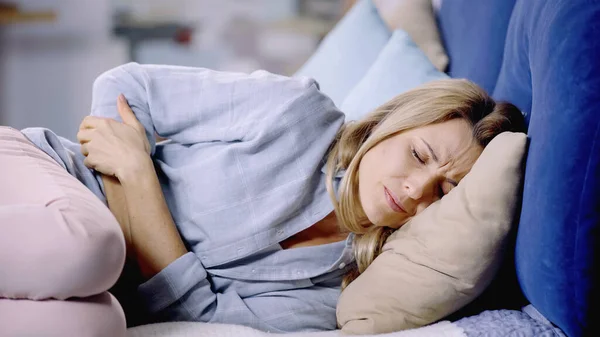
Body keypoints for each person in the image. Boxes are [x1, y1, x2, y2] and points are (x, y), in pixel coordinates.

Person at [19, 62, 523, 332]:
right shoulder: (297, 113)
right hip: (42, 179)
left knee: (93, 326)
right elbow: (127, 88)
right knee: (91, 249)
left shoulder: (343, 289)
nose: (416, 190)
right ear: (393, 126)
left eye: (444, 191)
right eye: (417, 154)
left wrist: (137, 175)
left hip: (100, 293)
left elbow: (205, 319)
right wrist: (122, 190)